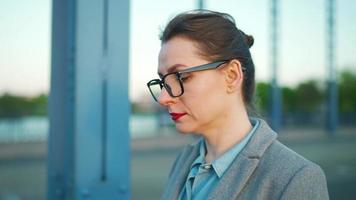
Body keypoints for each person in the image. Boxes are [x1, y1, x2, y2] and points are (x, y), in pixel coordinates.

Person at [146, 10, 329, 200]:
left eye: (182, 77)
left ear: (232, 75)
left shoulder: (294, 178)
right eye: (164, 81)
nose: (163, 97)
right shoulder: (184, 160)